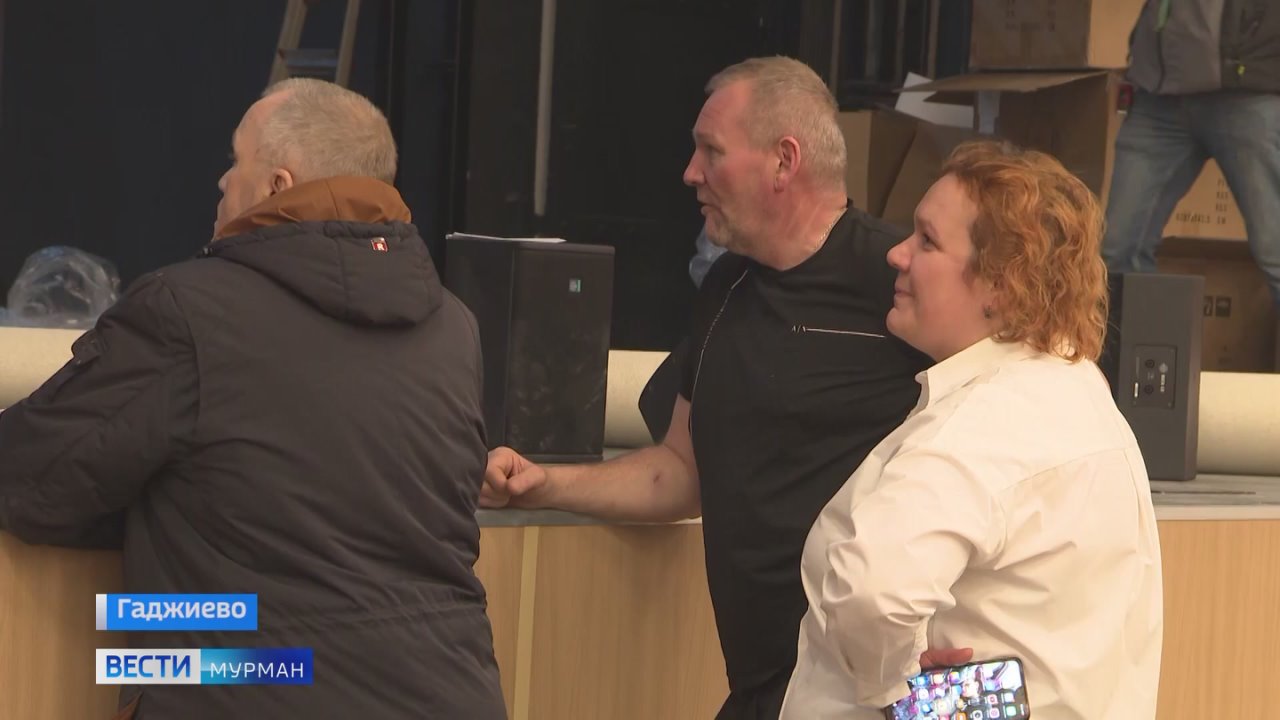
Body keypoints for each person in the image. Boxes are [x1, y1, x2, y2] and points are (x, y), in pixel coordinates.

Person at [0, 79, 506, 720]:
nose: (221, 180)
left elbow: (29, 479)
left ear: (276, 185)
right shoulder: (455, 326)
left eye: (235, 160)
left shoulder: (187, 311)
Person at [482, 56, 929, 718]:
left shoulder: (897, 283)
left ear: (784, 160)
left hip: (873, 692)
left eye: (711, 151)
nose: (690, 172)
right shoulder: (726, 287)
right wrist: (542, 484)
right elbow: (679, 470)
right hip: (766, 690)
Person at [780, 141, 1163, 719]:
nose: (897, 254)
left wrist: (892, 685)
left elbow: (871, 592)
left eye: (927, 241)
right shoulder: (1082, 396)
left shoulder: (984, 424)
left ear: (1001, 285)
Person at [1103, 0, 1280, 308]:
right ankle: (1134, 340)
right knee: (1118, 248)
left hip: (1248, 92)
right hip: (1158, 94)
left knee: (1274, 251)